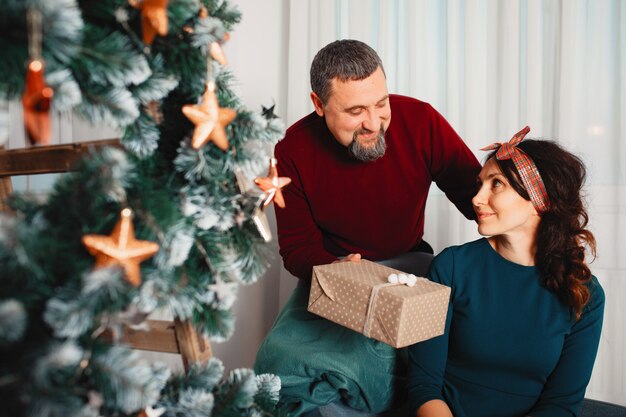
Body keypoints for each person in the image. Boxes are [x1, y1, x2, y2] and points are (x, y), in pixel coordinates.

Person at [254, 39, 481, 416]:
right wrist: (338, 270)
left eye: (381, 104)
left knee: (367, 366)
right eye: (356, 111)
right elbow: (296, 248)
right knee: (282, 361)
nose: (374, 123)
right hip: (334, 272)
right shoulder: (292, 150)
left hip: (411, 266)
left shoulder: (421, 120)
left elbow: (477, 196)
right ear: (319, 105)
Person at [408, 127, 605, 417]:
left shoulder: (585, 294)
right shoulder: (450, 267)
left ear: (541, 199)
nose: (476, 198)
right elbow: (424, 387)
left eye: (496, 184)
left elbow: (561, 405)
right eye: (479, 184)